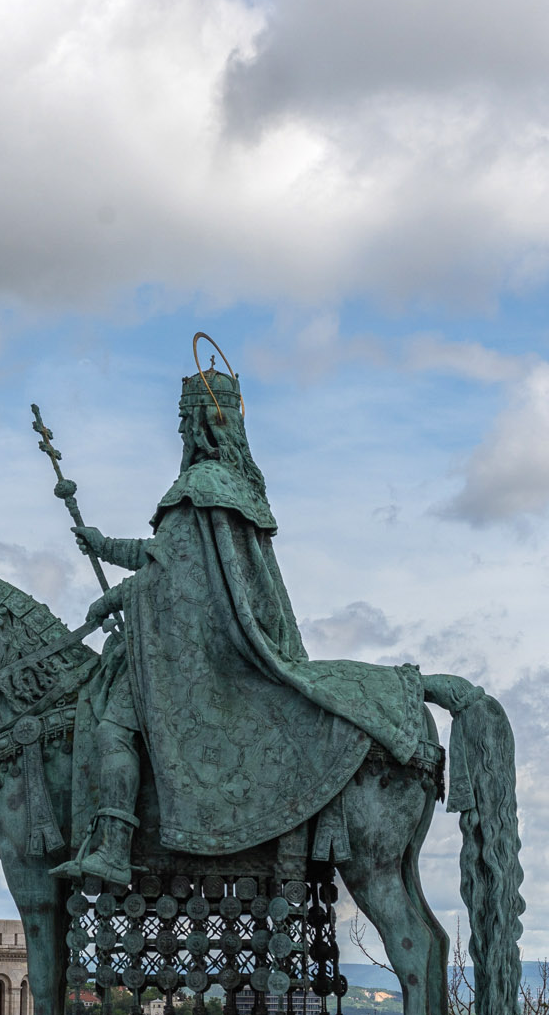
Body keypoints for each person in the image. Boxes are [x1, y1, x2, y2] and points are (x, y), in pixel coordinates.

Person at [53, 360, 429, 888]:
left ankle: (114, 848)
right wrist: (103, 546)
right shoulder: (235, 488)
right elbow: (170, 560)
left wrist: (114, 596)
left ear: (201, 423)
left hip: (203, 654)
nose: (182, 432)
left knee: (115, 721)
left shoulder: (200, 483)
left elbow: (175, 578)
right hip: (221, 639)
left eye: (185, 422)